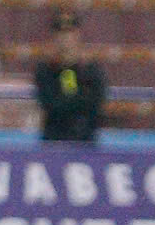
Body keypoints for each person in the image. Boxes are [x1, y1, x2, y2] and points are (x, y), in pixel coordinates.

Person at [35, 10, 106, 143]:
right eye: (61, 33)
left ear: (77, 35)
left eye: (69, 32)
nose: (65, 38)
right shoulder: (46, 69)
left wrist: (71, 71)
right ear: (54, 36)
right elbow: (49, 102)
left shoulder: (91, 68)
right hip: (54, 137)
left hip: (84, 137)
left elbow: (96, 102)